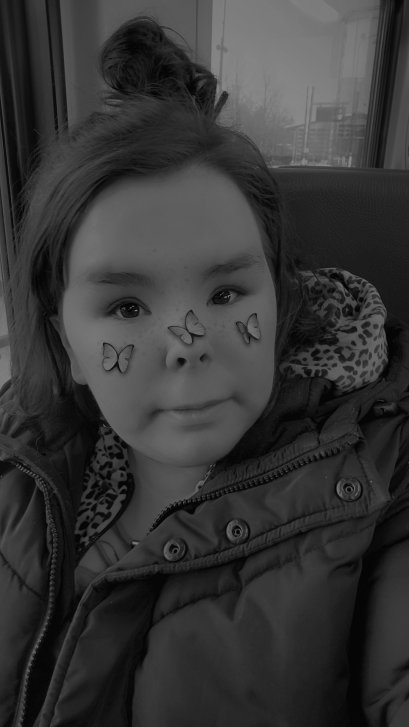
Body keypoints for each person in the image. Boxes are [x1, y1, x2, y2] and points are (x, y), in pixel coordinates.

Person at [1, 16, 408, 727]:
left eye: (225, 294)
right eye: (126, 306)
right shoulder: (17, 453)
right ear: (67, 345)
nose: (186, 344)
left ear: (279, 302)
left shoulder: (386, 473)